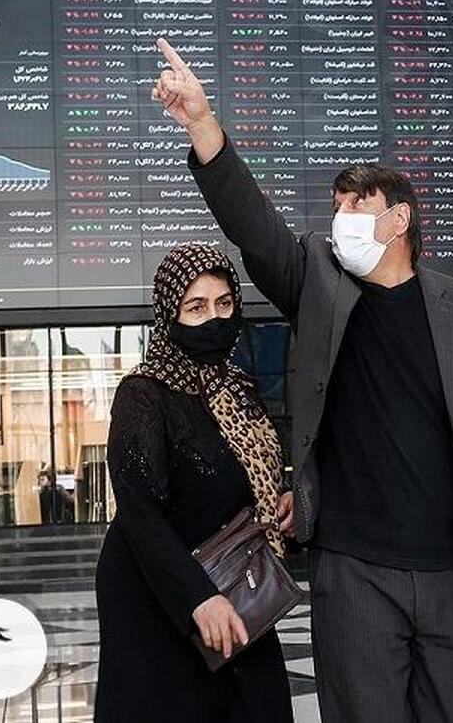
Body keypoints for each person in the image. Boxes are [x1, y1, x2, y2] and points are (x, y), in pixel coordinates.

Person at [152, 38, 453, 723]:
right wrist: (202, 124)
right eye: (335, 205)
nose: (339, 218)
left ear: (399, 218)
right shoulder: (318, 282)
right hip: (353, 568)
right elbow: (253, 226)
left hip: (446, 568)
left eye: (355, 204)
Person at [94, 244, 294, 723]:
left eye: (224, 304)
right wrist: (196, 598)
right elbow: (139, 511)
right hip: (160, 597)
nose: (214, 319)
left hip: (236, 583)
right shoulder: (143, 394)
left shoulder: (238, 388)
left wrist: (279, 498)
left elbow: (253, 472)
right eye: (196, 307)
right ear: (170, 315)